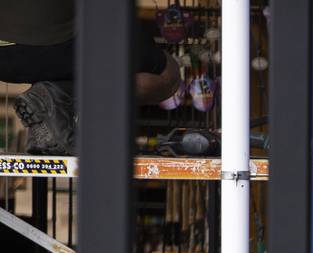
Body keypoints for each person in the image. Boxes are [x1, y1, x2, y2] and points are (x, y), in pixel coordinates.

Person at [0, 0, 182, 154]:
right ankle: (60, 95)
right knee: (167, 74)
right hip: (52, 37)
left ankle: (50, 123)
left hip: (7, 59)